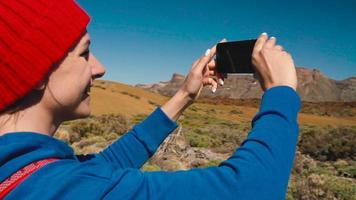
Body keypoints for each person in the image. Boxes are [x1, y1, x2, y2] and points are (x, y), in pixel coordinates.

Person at [0, 0, 300, 199]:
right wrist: (280, 91)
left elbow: (103, 167)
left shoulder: (24, 172)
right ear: (36, 71)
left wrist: (184, 95)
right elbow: (251, 189)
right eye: (84, 52)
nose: (99, 68)